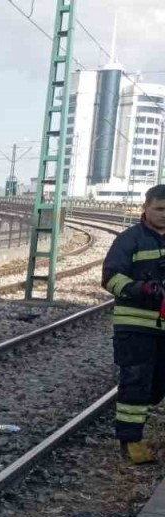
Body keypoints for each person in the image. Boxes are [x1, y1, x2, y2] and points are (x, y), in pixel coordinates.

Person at [101, 184, 165, 465]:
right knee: (136, 383)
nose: (164, 215)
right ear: (146, 208)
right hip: (136, 327)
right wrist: (141, 289)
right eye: (160, 209)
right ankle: (131, 442)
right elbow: (111, 277)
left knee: (156, 386)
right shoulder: (130, 240)